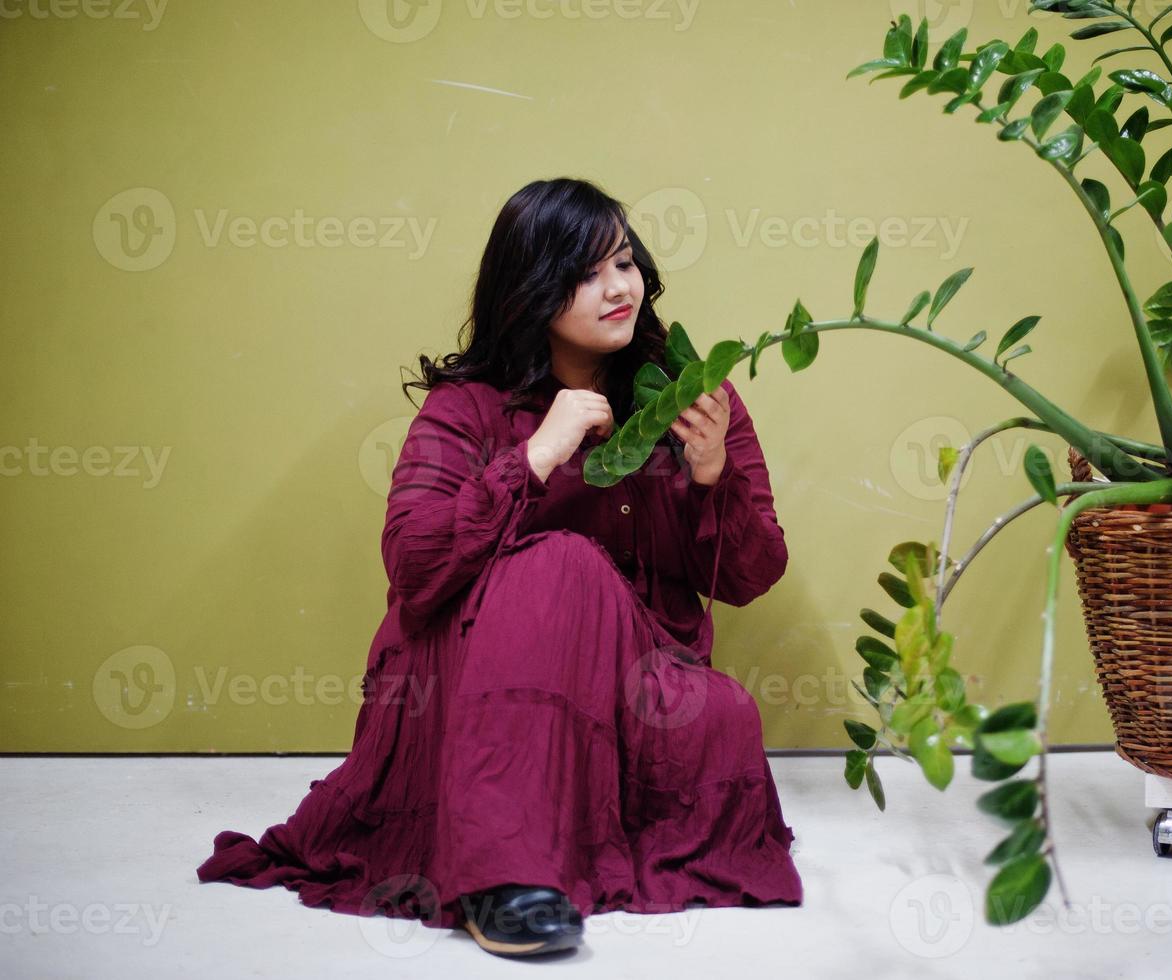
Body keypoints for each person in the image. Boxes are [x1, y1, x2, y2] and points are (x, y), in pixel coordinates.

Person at [195, 177, 803, 958]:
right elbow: (415, 566)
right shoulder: (467, 407)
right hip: (472, 677)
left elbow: (751, 577)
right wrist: (537, 455)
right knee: (558, 565)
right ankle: (503, 879)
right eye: (584, 274)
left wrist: (711, 471)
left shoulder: (691, 396)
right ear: (534, 291)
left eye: (623, 261)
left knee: (720, 718)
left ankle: (559, 840)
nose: (617, 288)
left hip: (630, 675)